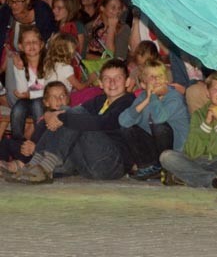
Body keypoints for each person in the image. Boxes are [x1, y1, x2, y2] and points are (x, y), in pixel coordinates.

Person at [2, 58, 135, 182]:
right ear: (100, 83)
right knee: (66, 114)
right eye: (107, 78)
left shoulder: (128, 102)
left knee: (70, 114)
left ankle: (31, 164)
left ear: (127, 82)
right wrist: (49, 115)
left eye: (117, 78)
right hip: (89, 165)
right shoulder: (100, 101)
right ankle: (33, 165)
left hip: (112, 164)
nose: (112, 83)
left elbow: (104, 123)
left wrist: (61, 116)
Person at [159, 70, 217, 187]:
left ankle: (190, 177)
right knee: (166, 157)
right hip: (202, 161)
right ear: (208, 93)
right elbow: (191, 152)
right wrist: (207, 124)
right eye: (215, 90)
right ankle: (214, 181)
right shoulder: (199, 114)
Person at [119, 59, 190, 180]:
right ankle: (148, 166)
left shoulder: (174, 98)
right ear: (143, 84)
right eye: (151, 77)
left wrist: (152, 96)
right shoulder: (143, 97)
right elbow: (123, 121)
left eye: (160, 76)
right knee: (127, 129)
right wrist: (145, 101)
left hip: (175, 151)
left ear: (167, 80)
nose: (156, 79)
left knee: (159, 126)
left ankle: (166, 168)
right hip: (155, 148)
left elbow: (159, 118)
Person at [1, 0, 57, 108]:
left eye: (17, 1)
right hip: (15, 54)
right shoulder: (5, 11)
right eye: (10, 1)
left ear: (28, 0)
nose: (12, 5)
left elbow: (48, 41)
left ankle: (37, 99)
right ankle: (15, 102)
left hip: (40, 55)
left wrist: (26, 56)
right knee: (11, 60)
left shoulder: (42, 12)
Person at [0, 81, 69, 173]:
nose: (58, 100)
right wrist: (28, 145)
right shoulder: (44, 118)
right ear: (46, 103)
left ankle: (20, 165)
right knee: (6, 143)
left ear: (68, 99)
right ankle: (3, 165)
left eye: (62, 96)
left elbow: (60, 144)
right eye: (54, 97)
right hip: (32, 151)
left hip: (47, 155)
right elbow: (35, 138)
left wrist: (36, 148)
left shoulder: (68, 118)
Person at [9, 25, 47, 139]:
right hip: (27, 100)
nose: (31, 45)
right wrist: (20, 69)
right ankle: (18, 143)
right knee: (17, 109)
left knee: (37, 104)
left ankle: (40, 141)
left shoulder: (48, 63)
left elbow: (50, 89)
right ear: (20, 46)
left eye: (34, 41)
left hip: (46, 100)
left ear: (41, 45)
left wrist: (31, 94)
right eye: (27, 42)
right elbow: (22, 91)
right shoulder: (19, 63)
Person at [84, 0, 131, 65]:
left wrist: (111, 28)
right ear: (102, 8)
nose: (117, 11)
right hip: (89, 67)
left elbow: (115, 57)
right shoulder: (90, 26)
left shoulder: (124, 29)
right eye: (113, 8)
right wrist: (102, 60)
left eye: (119, 8)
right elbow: (83, 53)